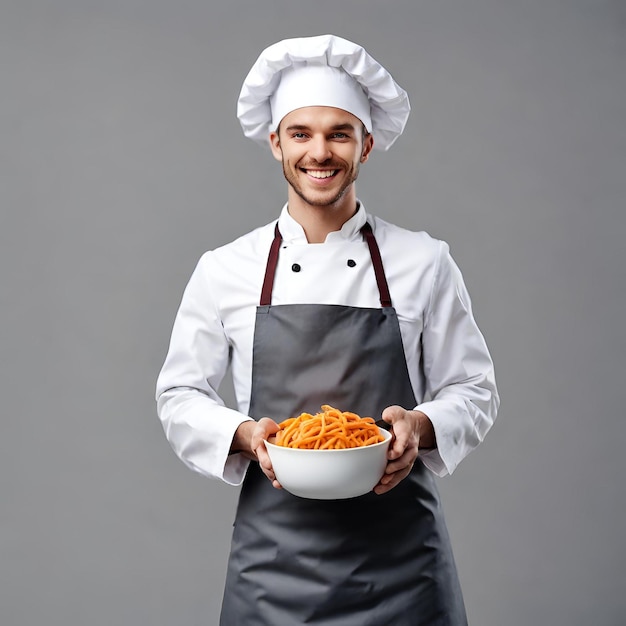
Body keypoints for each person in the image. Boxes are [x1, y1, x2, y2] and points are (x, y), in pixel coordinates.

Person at [156, 34, 499, 625]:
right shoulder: (225, 268)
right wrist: (245, 434)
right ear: (275, 143)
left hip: (402, 566)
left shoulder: (423, 261)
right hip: (274, 564)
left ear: (366, 144)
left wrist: (421, 425)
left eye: (339, 133)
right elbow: (178, 394)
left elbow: (475, 390)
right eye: (301, 133)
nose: (320, 152)